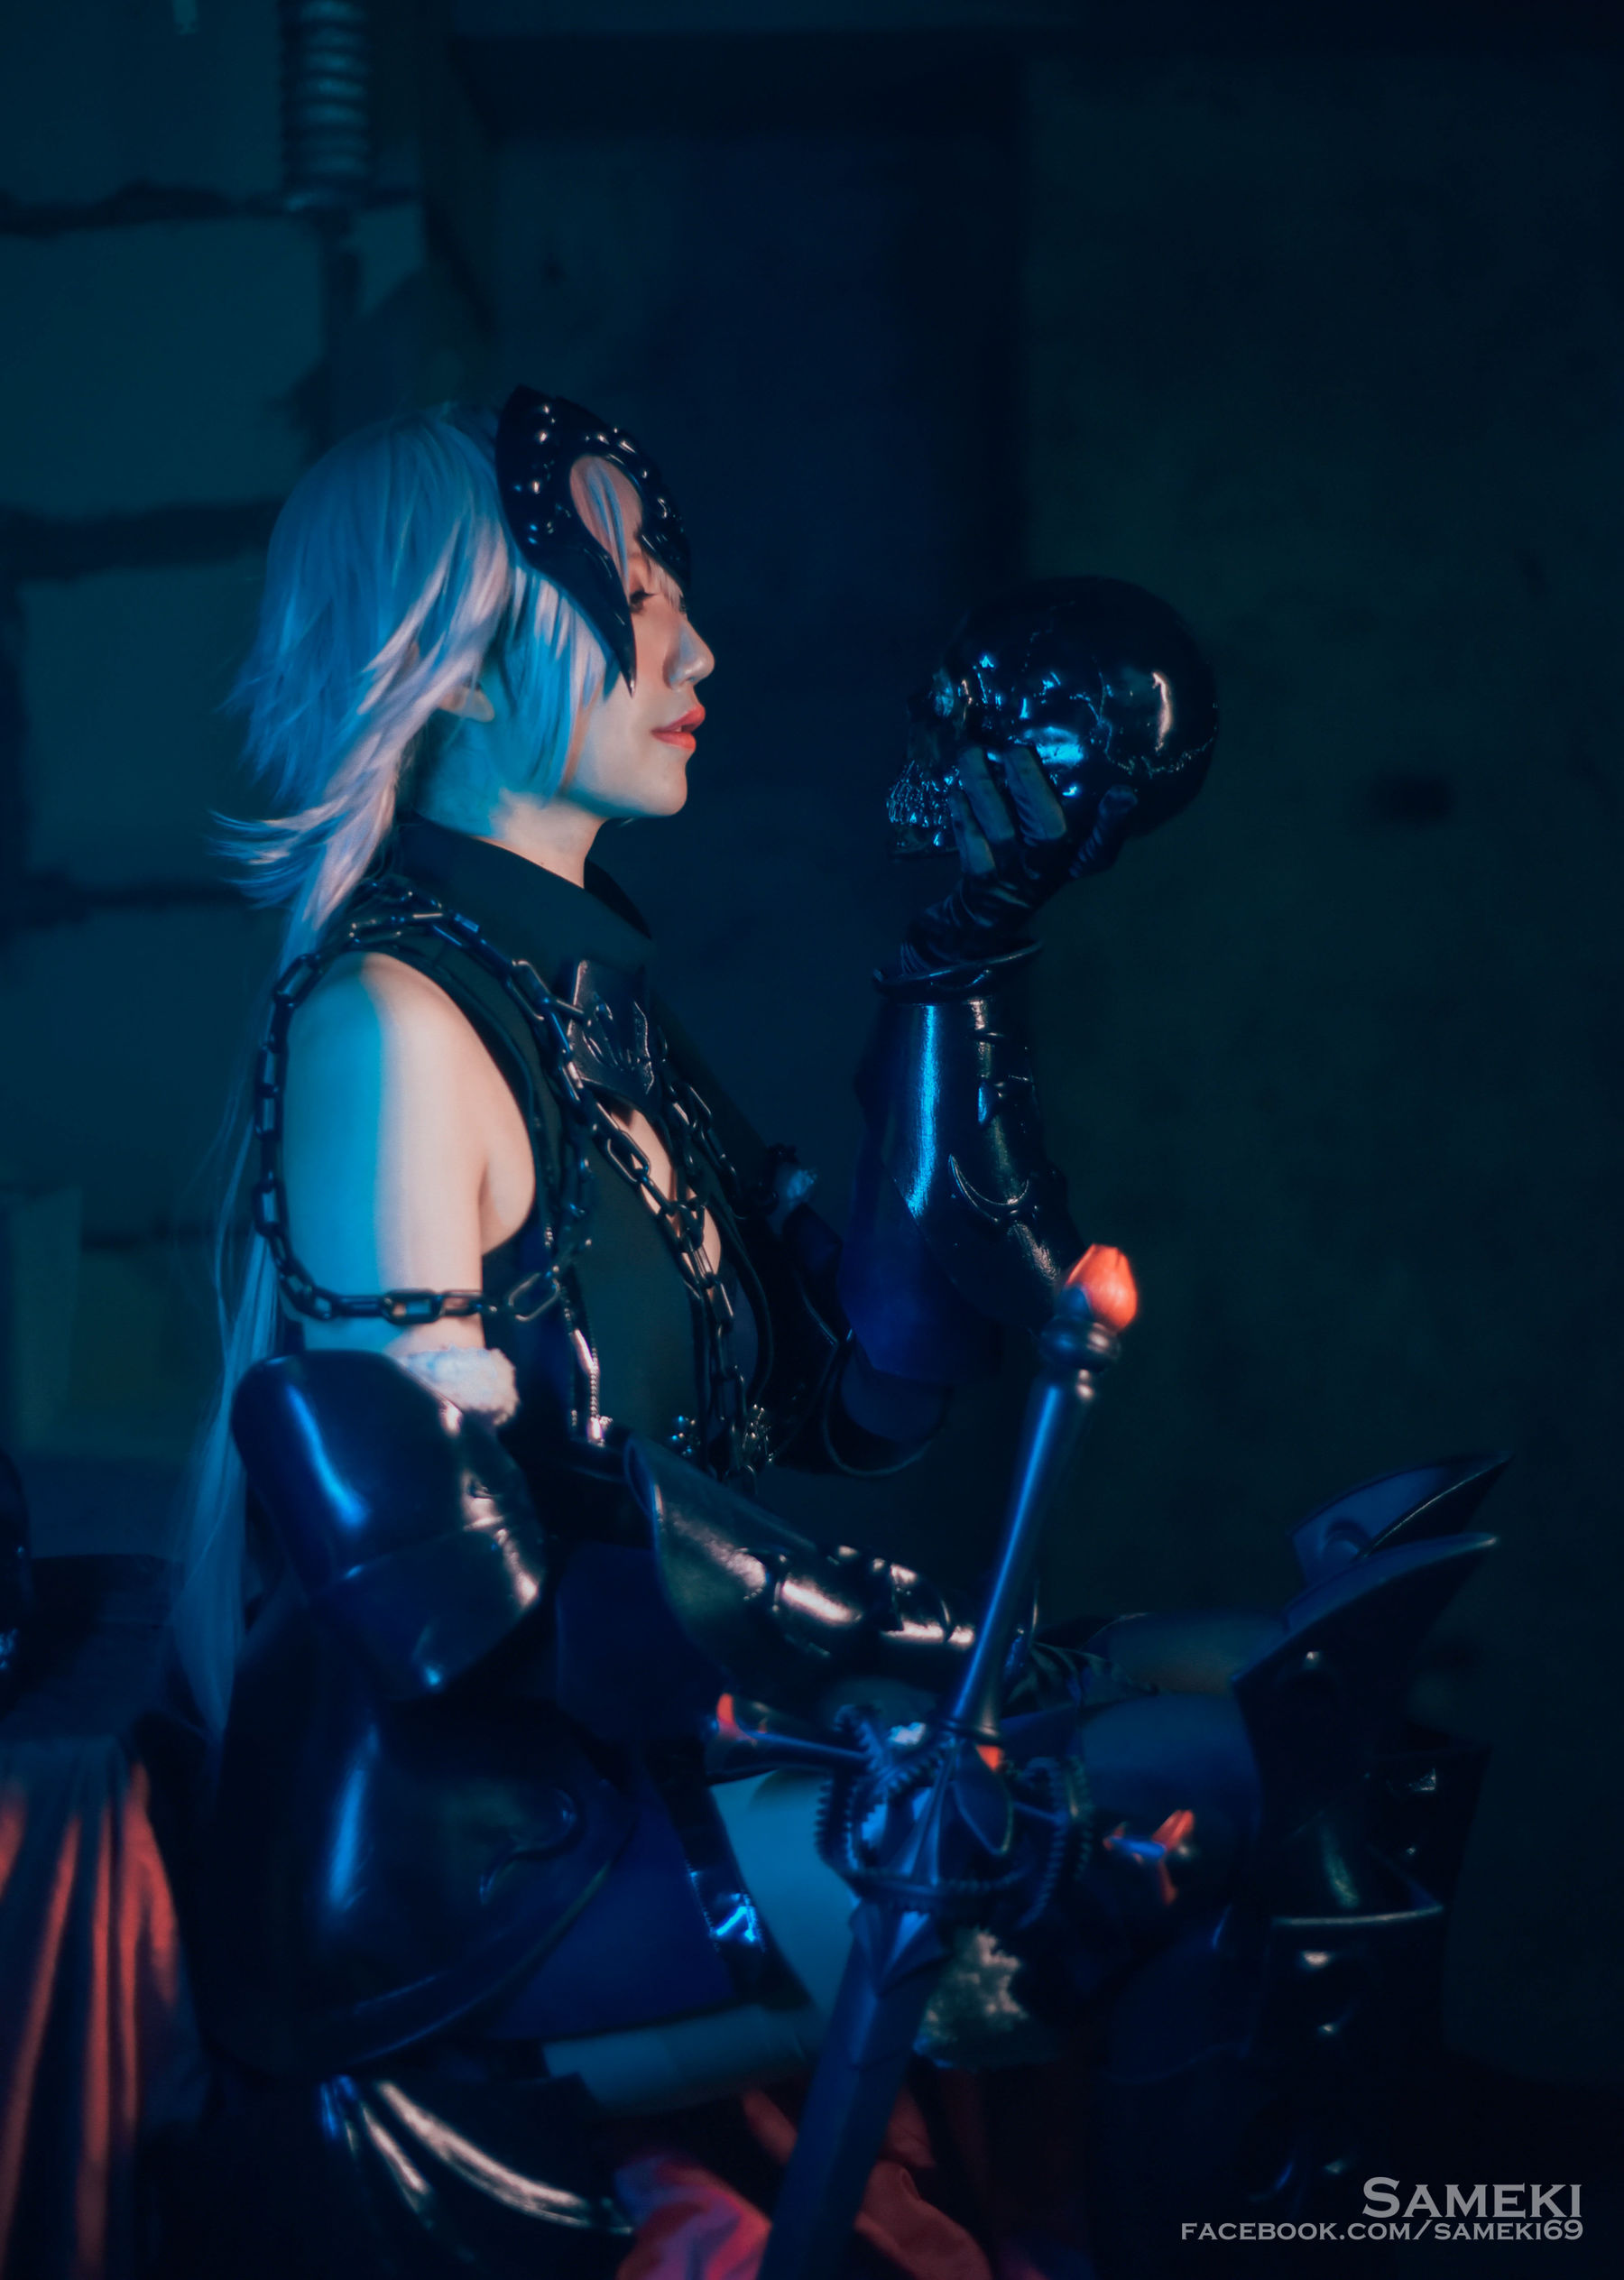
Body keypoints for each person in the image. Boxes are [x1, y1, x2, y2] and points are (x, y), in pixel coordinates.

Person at [162, 394, 1494, 2279]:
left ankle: (1375, 2210)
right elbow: (444, 1613)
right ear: (453, 657)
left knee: (1296, 1689)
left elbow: (870, 1378)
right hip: (473, 1870)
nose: (698, 644)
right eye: (636, 593)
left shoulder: (592, 1011)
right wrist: (928, 1658)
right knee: (1206, 1776)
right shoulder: (386, 1021)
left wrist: (961, 948)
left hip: (646, 1766)